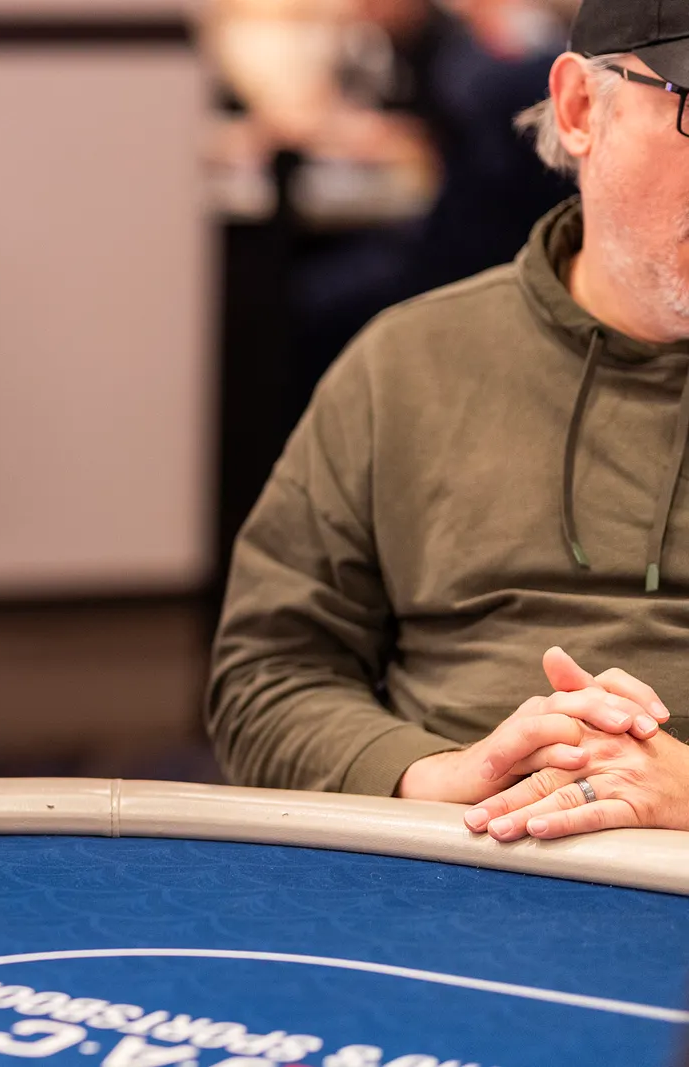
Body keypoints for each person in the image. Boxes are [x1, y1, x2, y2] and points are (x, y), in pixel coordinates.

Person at [209, 0, 689, 842]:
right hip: (445, 863)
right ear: (581, 108)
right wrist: (433, 775)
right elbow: (267, 674)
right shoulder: (407, 365)